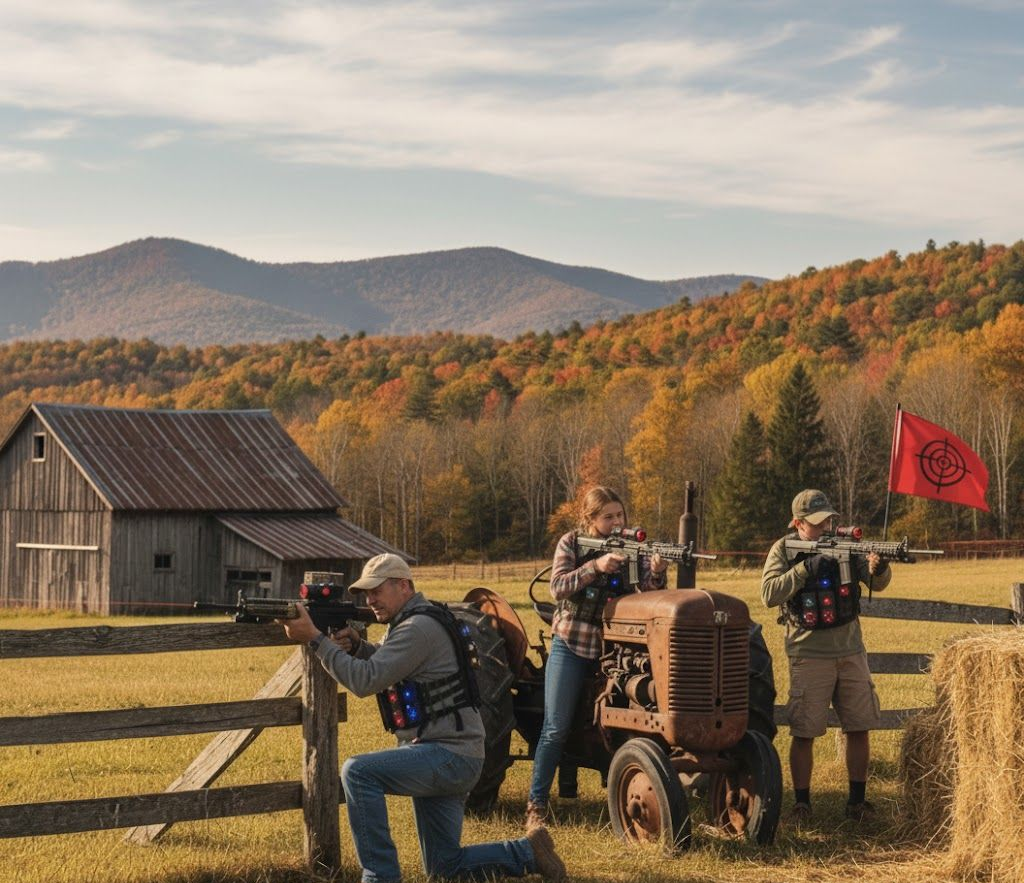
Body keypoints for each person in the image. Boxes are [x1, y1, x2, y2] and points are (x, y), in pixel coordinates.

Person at [279, 552, 567, 883]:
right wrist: (359, 646)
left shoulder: (417, 627)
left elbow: (364, 681)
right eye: (366, 594)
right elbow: (393, 665)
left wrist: (314, 639)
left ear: (403, 586)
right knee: (445, 865)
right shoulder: (416, 620)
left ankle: (380, 877)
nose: (370, 600)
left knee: (357, 772)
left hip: (447, 755)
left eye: (377, 591)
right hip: (452, 753)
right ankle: (529, 853)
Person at [526, 486, 667, 826]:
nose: (617, 521)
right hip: (571, 642)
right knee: (555, 727)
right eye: (608, 517)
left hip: (615, 651)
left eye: (620, 515)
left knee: (627, 723)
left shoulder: (634, 547)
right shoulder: (572, 543)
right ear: (590, 519)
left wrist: (659, 568)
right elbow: (557, 587)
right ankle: (536, 805)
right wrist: (597, 566)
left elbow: (650, 594)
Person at [761, 489, 892, 824]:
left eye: (829, 521)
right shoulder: (784, 549)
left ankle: (858, 803)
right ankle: (802, 805)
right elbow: (768, 594)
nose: (825, 527)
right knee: (805, 730)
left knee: (859, 726)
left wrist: (880, 567)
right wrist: (806, 569)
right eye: (817, 523)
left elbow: (878, 581)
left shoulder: (845, 546)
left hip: (850, 649)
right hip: (808, 653)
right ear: (798, 522)